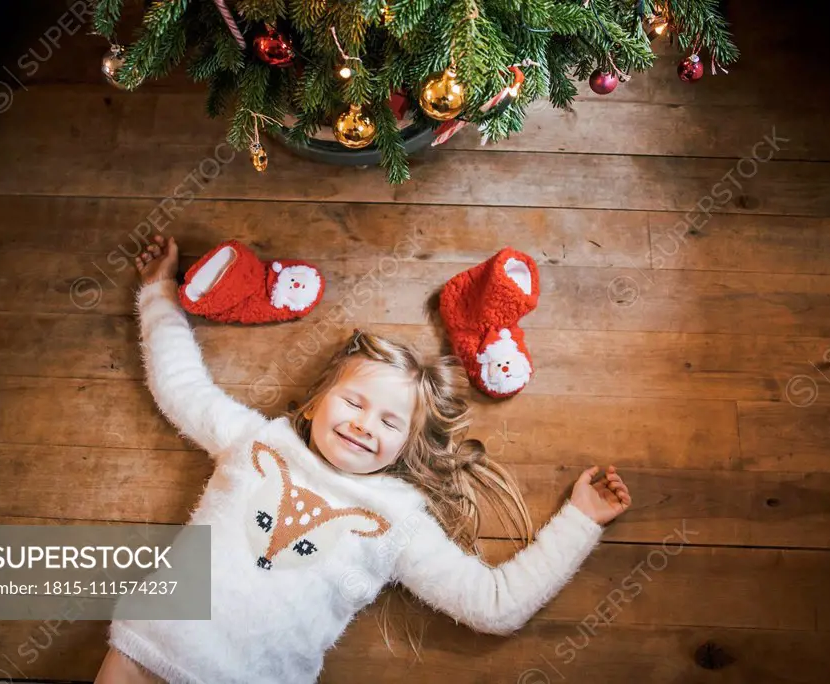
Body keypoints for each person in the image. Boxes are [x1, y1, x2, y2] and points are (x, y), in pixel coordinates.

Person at [94, 234, 632, 684]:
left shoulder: (397, 522)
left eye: (390, 422)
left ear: (405, 448)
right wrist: (159, 293)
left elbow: (493, 605)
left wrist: (580, 520)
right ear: (313, 405)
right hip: (147, 649)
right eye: (353, 402)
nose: (363, 423)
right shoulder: (255, 441)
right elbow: (180, 385)